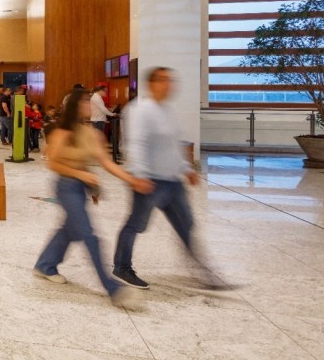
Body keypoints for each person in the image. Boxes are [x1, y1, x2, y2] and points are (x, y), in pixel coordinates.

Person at [32, 89, 151, 310]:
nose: (90, 106)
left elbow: (107, 163)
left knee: (69, 229)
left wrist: (131, 180)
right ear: (75, 106)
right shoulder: (62, 132)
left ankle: (45, 265)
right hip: (66, 187)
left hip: (80, 187)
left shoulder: (92, 134)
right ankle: (112, 288)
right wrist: (80, 174)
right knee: (88, 234)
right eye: (85, 102)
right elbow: (52, 163)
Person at [112, 67, 217, 290]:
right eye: (163, 80)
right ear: (151, 84)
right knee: (136, 224)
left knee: (186, 224)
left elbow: (173, 146)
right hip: (149, 181)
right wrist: (140, 175)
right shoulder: (140, 110)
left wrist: (186, 168)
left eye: (171, 80)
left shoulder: (169, 111)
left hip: (172, 181)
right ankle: (122, 267)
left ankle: (204, 273)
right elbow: (136, 144)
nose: (169, 84)